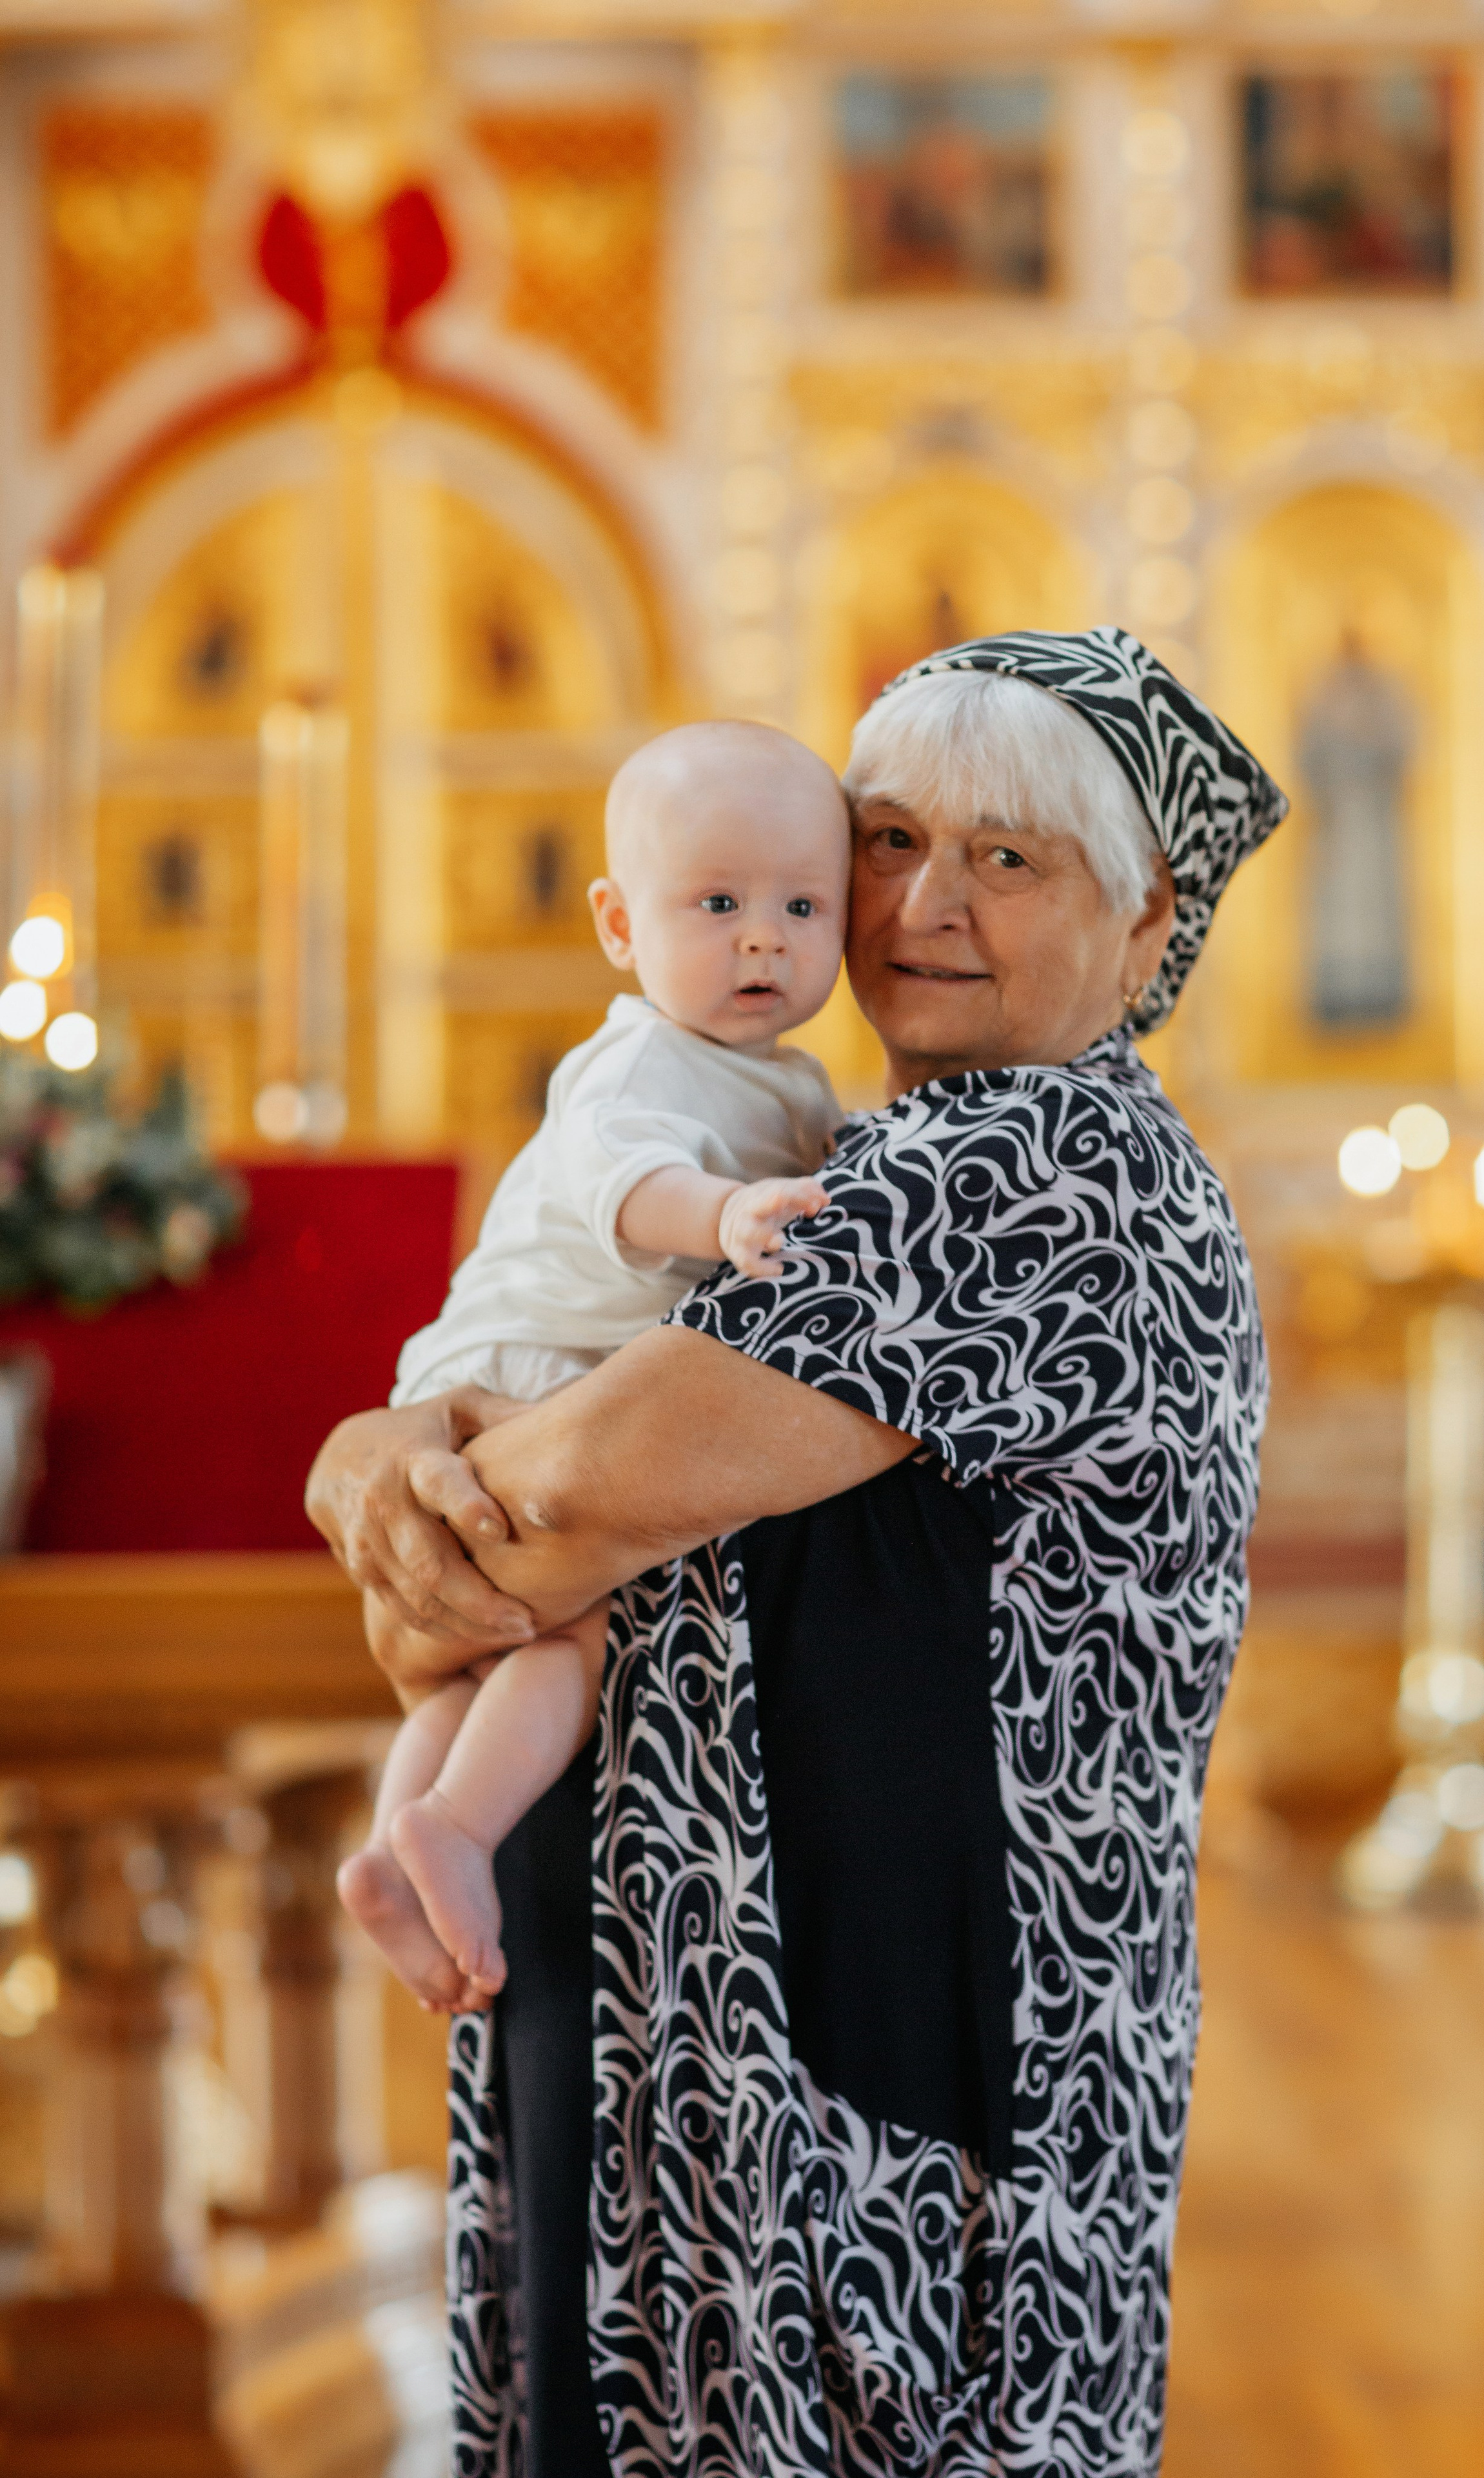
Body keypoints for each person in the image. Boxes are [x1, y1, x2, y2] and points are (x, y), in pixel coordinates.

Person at [307, 628, 1287, 2478]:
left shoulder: (1032, 1171)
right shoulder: (878, 1142)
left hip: (874, 2056)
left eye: (1009, 858)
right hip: (745, 2003)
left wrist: (384, 1450)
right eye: (894, 840)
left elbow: (543, 1519)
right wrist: (396, 1469)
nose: (921, 903)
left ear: (1147, 921)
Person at [337, 719, 848, 2012]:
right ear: (619, 924)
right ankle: (452, 1824)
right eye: (717, 902)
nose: (761, 937)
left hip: (547, 1373)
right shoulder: (634, 1060)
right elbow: (628, 1188)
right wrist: (724, 1220)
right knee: (572, 1628)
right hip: (522, 1367)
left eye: (803, 904)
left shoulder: (781, 1076)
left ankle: (398, 1847)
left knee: (473, 1654)